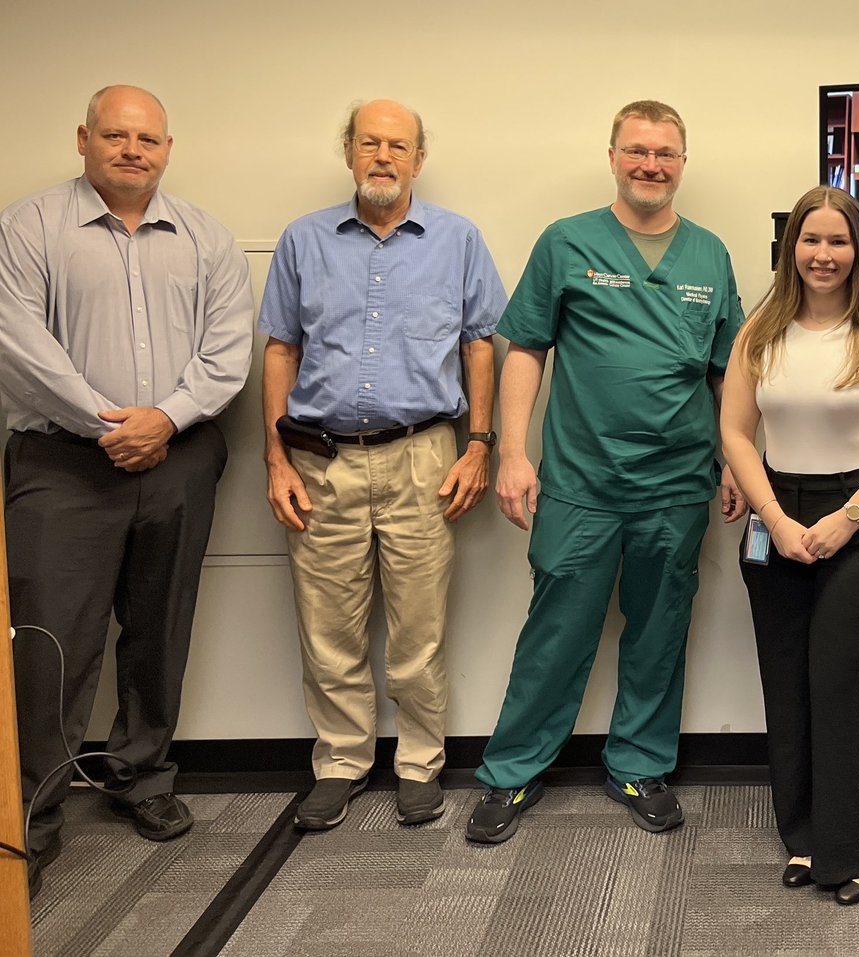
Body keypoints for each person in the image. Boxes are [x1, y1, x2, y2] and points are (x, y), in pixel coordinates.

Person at [466, 100, 746, 845]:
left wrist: (736, 462)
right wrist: (514, 452)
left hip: (678, 483)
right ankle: (512, 771)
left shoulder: (710, 255)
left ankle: (638, 764)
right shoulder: (567, 242)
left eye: (665, 153)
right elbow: (523, 345)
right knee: (556, 631)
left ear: (683, 163)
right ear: (614, 155)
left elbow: (730, 373)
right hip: (581, 483)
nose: (650, 164)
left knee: (659, 631)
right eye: (637, 150)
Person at [0, 85, 254, 897]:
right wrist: (111, 423)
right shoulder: (30, 227)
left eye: (147, 138)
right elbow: (20, 344)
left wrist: (164, 420)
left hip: (177, 457)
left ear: (168, 148)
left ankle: (140, 779)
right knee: (52, 644)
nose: (131, 149)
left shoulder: (206, 236)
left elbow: (226, 353)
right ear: (84, 138)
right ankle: (32, 818)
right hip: (61, 463)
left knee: (158, 628)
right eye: (115, 134)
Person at [259, 99, 507, 832]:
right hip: (320, 459)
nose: (383, 156)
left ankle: (419, 762)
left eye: (398, 145)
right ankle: (340, 761)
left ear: (419, 160)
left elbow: (481, 345)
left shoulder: (458, 240)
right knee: (326, 623)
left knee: (418, 626)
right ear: (349, 152)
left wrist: (480, 444)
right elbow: (279, 349)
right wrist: (274, 458)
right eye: (370, 142)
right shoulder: (303, 241)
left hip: (424, 454)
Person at [721, 186, 859, 904]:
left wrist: (847, 517)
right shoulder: (761, 330)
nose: (822, 254)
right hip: (776, 513)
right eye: (809, 240)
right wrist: (775, 519)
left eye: (837, 241)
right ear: (790, 250)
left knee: (846, 684)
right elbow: (734, 433)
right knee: (789, 683)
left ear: (858, 251)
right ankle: (809, 840)